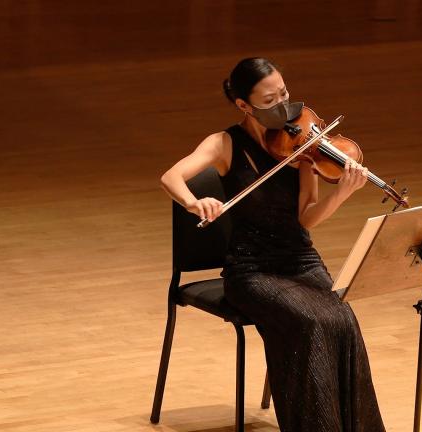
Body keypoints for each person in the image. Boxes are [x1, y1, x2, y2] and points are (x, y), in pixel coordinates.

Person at [160, 57, 386, 432]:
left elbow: (305, 219)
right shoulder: (223, 144)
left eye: (284, 93)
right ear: (244, 105)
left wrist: (340, 195)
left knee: (343, 319)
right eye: (270, 100)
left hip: (300, 261)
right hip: (252, 270)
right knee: (311, 321)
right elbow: (171, 176)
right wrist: (194, 201)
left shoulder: (301, 147)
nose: (284, 105)